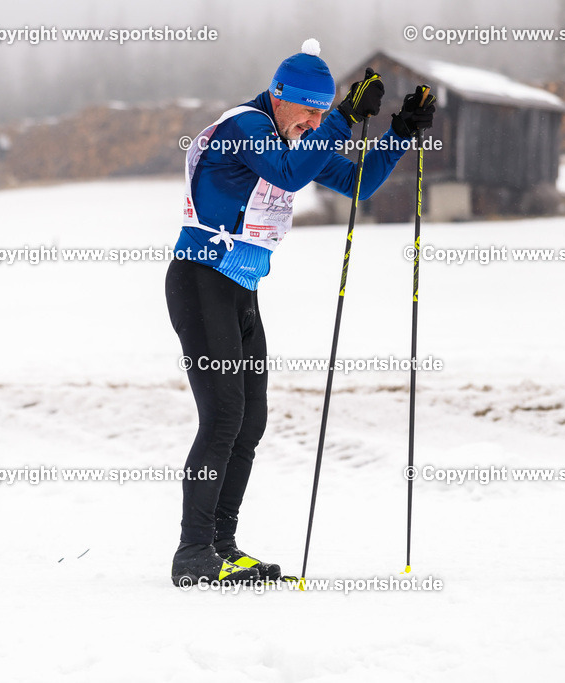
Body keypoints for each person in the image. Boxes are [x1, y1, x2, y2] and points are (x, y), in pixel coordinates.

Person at [165, 39, 436, 586]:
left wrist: (400, 134)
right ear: (280, 95)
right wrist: (340, 117)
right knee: (222, 418)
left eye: (321, 112)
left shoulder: (295, 137)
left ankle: (222, 546)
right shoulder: (245, 128)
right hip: (200, 282)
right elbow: (288, 174)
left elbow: (357, 182)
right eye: (308, 111)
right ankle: (192, 554)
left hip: (240, 289)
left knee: (250, 421)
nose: (312, 123)